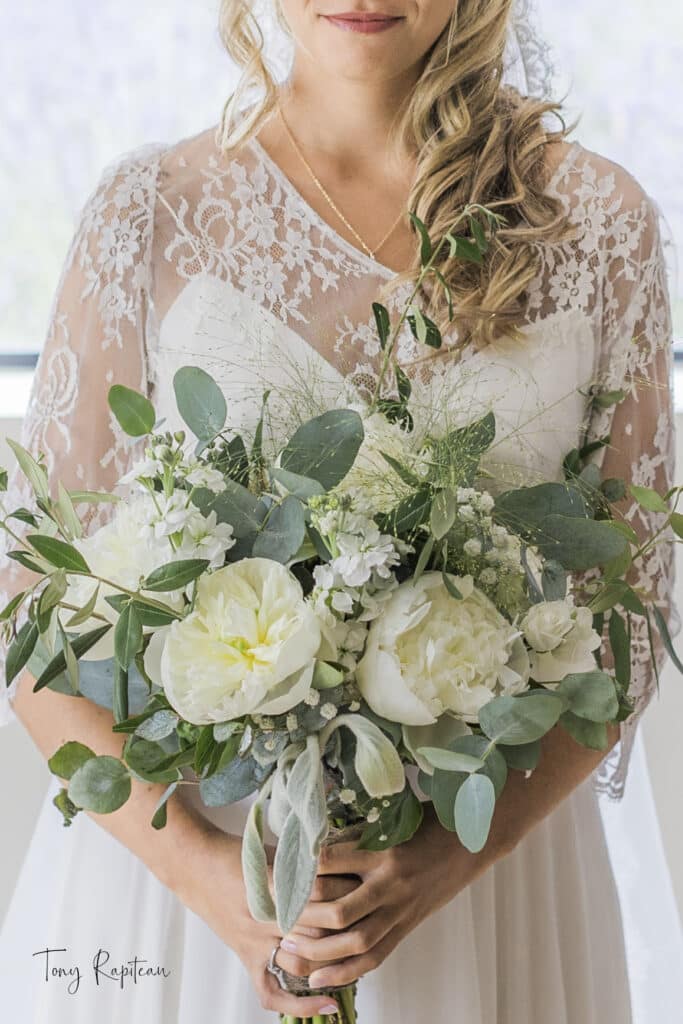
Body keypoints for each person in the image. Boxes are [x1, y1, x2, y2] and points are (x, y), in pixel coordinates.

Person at [0, 0, 679, 1019]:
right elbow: (28, 611)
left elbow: (630, 611)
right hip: (206, 903)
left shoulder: (593, 224)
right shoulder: (146, 212)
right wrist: (213, 889)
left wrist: (448, 863)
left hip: (481, 889)